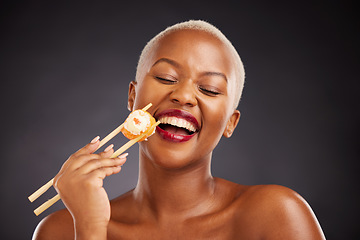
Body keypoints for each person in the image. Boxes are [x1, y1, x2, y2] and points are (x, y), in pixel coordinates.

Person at [33, 20, 326, 240]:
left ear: (230, 123)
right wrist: (90, 228)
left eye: (209, 89)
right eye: (166, 77)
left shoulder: (275, 215)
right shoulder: (59, 230)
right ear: (132, 97)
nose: (184, 96)